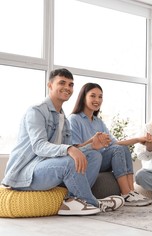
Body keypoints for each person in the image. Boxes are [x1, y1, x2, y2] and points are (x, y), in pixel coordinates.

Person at [1, 68, 124, 215]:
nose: (67, 87)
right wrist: (69, 150)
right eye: (62, 83)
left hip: (50, 166)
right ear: (50, 85)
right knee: (68, 162)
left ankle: (74, 200)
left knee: (94, 155)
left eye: (71, 85)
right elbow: (40, 146)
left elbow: (70, 148)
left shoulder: (63, 119)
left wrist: (90, 145)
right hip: (27, 172)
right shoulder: (36, 111)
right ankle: (93, 202)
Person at [68, 82, 152, 207]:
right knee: (117, 150)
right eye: (93, 96)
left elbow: (116, 143)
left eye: (100, 97)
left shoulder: (99, 122)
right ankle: (125, 194)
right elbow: (74, 149)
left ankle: (131, 192)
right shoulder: (74, 119)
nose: (97, 100)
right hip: (88, 160)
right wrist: (92, 141)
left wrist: (139, 139)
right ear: (83, 97)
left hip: (102, 159)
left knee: (122, 148)